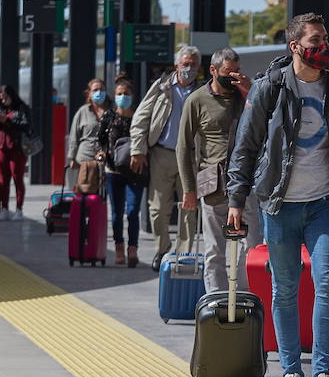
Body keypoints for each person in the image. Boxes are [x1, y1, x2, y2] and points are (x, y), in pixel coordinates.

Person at [226, 12, 329, 377]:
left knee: (328, 286)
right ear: (295, 47)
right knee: (285, 289)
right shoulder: (269, 87)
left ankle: (322, 374)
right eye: (315, 41)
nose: (323, 47)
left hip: (326, 203)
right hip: (279, 203)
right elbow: (245, 145)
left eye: (324, 39)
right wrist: (236, 199)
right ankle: (291, 372)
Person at [179, 47, 260, 292]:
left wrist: (250, 90)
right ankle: (216, 299)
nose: (232, 76)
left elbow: (268, 118)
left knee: (252, 245)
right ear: (213, 70)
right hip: (213, 182)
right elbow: (184, 147)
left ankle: (244, 296)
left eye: (237, 71)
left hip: (245, 181)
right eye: (227, 72)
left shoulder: (245, 96)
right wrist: (189, 189)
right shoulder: (196, 100)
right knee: (214, 249)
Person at [130, 44, 201, 269]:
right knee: (158, 208)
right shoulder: (162, 87)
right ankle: (162, 250)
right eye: (185, 64)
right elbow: (141, 118)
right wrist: (138, 149)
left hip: (190, 158)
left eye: (193, 65)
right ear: (176, 65)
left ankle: (184, 254)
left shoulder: (203, 92)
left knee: (189, 207)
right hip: (162, 154)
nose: (189, 69)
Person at [99, 78, 146, 266]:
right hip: (113, 171)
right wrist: (102, 152)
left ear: (132, 96)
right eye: (119, 94)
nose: (123, 97)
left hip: (135, 172)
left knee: (133, 211)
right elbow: (101, 139)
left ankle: (132, 249)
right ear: (114, 95)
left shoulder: (139, 117)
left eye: (126, 94)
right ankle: (119, 247)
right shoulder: (109, 117)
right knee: (117, 214)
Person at [0, 84, 33, 220]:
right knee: (3, 179)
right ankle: (4, 208)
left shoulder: (21, 108)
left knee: (17, 177)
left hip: (17, 148)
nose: (3, 101)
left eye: (5, 98)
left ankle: (19, 209)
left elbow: (26, 126)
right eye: (1, 98)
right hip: (2, 147)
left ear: (11, 95)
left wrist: (7, 120)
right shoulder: (1, 109)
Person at [67, 78, 111, 193]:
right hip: (85, 159)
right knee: (86, 191)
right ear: (89, 93)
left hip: (106, 159)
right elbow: (74, 135)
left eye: (101, 90)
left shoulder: (111, 111)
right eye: (95, 90)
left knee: (104, 193)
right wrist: (72, 157)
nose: (99, 92)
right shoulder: (82, 112)